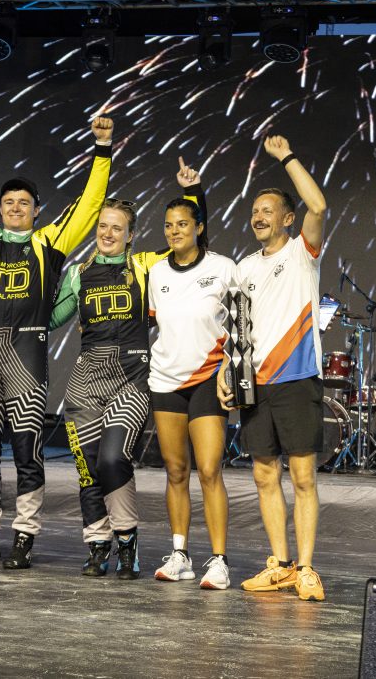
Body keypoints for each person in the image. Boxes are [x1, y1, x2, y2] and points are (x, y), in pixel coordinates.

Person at [0, 114, 113, 569]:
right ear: (0, 208)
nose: (15, 207)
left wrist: (102, 149)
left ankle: (25, 536)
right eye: (9, 202)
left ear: (37, 210)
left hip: (26, 360)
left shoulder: (50, 241)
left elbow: (89, 205)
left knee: (29, 453)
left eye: (24, 202)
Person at [217, 135, 328, 602]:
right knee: (264, 475)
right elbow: (237, 330)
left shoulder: (302, 253)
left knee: (302, 478)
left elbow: (318, 205)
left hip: (297, 379)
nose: (258, 217)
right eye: (254, 211)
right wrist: (225, 371)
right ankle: (280, 565)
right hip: (255, 384)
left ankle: (306, 568)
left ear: (287, 219)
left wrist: (287, 157)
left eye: (268, 210)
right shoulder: (243, 268)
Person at [49, 195, 169, 580]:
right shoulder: (78, 274)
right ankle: (98, 545)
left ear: (130, 235)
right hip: (85, 382)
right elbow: (49, 319)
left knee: (112, 460)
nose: (108, 233)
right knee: (88, 470)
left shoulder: (146, 266)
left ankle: (127, 540)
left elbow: (191, 247)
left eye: (117, 228)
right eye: (103, 226)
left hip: (131, 379)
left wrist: (193, 194)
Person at [147, 160, 236, 589]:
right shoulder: (157, 272)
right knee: (175, 470)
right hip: (165, 380)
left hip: (207, 378)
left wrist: (228, 367)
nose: (174, 231)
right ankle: (180, 554)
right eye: (168, 225)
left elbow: (242, 325)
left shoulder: (223, 267)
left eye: (183, 224)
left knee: (209, 469)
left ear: (199, 227)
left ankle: (218, 561)